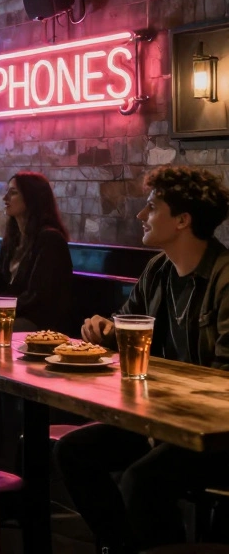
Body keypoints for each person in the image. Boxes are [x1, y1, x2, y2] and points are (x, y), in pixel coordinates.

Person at [56, 165, 229, 554]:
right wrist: (105, 330)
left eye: (151, 207)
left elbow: (225, 382)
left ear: (183, 220)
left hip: (214, 435)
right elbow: (128, 330)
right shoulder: (159, 271)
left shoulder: (224, 279)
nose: (140, 216)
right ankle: (124, 547)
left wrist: (164, 420)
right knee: (73, 452)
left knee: (142, 479)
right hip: (165, 420)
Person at [0, 172, 74, 334]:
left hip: (39, 324)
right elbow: (4, 289)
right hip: (13, 316)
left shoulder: (50, 240)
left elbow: (39, 297)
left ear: (32, 198)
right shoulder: (12, 240)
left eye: (13, 193)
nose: (5, 198)